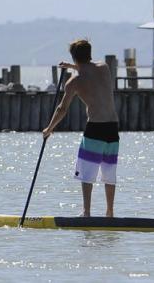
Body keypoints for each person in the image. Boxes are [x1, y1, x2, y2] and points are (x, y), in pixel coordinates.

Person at [43, 39, 119, 217]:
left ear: (74, 57)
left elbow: (62, 109)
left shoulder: (73, 82)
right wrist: (73, 65)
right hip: (112, 128)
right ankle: (110, 212)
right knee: (109, 171)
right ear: (90, 53)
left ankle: (86, 213)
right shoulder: (104, 67)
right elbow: (89, 68)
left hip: (95, 128)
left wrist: (49, 128)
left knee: (87, 172)